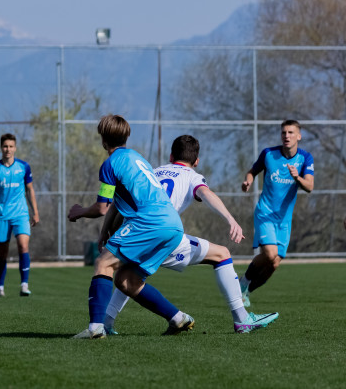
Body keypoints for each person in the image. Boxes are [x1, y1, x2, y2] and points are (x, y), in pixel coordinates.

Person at [103, 135, 279, 334]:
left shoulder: (153, 171)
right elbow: (205, 193)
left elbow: (119, 202)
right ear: (196, 161)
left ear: (171, 156)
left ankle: (106, 323)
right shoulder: (191, 175)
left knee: (132, 273)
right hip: (163, 235)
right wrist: (230, 219)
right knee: (222, 254)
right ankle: (242, 318)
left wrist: (109, 231)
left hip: (137, 233)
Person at [68, 114, 192, 339]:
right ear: (126, 137)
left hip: (149, 222)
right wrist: (106, 231)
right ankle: (178, 318)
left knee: (103, 263)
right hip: (173, 225)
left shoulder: (110, 164)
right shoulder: (138, 158)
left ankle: (95, 328)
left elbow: (102, 207)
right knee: (127, 281)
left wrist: (80, 211)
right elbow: (118, 202)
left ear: (103, 140)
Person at [240, 120, 314, 306]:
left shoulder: (305, 158)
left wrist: (297, 177)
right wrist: (248, 181)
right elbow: (252, 172)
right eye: (283, 132)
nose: (286, 136)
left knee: (274, 263)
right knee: (270, 253)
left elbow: (309, 186)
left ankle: (246, 292)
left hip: (284, 220)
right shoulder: (268, 154)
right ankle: (243, 281)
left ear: (299, 136)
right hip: (265, 213)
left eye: (291, 132)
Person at [0, 133, 40, 298]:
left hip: (21, 214)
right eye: (5, 146)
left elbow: (30, 190)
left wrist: (35, 212)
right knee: (2, 252)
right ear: (1, 148)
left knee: (23, 246)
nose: (8, 149)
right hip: (2, 215)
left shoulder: (23, 167)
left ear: (15, 148)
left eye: (11, 146)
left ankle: (24, 285)